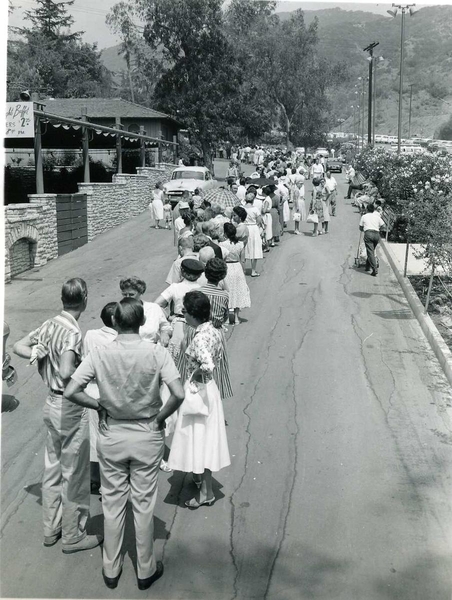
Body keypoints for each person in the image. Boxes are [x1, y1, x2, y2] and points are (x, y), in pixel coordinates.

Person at [64, 298, 185, 590]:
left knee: (113, 501)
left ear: (115, 322)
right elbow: (178, 394)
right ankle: (145, 570)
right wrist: (160, 418)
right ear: (142, 322)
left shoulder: (100, 353)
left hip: (112, 434)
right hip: (146, 433)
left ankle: (111, 568)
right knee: (143, 504)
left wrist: (97, 405)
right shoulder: (156, 352)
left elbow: (71, 389)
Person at [13, 278, 102, 553]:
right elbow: (66, 372)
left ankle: (51, 528)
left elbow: (18, 346)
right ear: (84, 299)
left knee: (52, 469)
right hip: (69, 405)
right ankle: (72, 535)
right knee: (74, 472)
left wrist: (38, 355)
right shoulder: (73, 332)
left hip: (50, 403)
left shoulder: (50, 324)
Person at [168, 291, 231, 506]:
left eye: (185, 310)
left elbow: (209, 365)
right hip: (209, 390)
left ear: (193, 314)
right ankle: (200, 481)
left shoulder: (200, 337)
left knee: (199, 439)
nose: (183, 314)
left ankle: (206, 492)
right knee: (205, 438)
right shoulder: (213, 330)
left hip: (199, 391)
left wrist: (194, 375)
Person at [83, 302, 118, 492]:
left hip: (91, 389)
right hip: (111, 391)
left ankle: (94, 477)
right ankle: (109, 481)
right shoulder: (120, 339)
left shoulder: (90, 335)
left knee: (94, 434)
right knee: (110, 434)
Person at [200, 258, 233, 400]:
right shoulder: (224, 295)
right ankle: (215, 400)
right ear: (222, 276)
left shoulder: (198, 292)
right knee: (217, 367)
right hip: (215, 332)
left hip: (199, 331)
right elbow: (225, 316)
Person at [119, 277, 171, 345]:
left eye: (131, 294)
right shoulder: (118, 310)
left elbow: (165, 326)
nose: (128, 297)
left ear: (141, 293)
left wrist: (165, 334)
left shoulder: (153, 308)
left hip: (151, 349)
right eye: (124, 294)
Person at [219, 223, 251, 324]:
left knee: (228, 291)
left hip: (227, 267)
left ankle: (228, 318)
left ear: (225, 233)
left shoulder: (222, 244)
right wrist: (244, 270)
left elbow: (221, 259)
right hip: (237, 267)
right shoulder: (240, 244)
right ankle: (236, 318)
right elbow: (242, 260)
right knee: (237, 291)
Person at [359, 204, 385, 276]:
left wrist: (363, 229)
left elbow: (360, 227)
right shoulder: (376, 217)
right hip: (376, 234)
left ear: (367, 209)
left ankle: (374, 269)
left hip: (368, 234)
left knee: (370, 252)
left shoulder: (364, 216)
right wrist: (379, 230)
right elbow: (383, 225)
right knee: (371, 250)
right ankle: (367, 266)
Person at [244, 189, 264, 277]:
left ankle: (243, 269)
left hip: (245, 227)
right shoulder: (255, 209)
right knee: (254, 247)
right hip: (253, 227)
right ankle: (253, 270)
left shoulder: (242, 208)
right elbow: (259, 220)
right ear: (253, 200)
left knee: (244, 248)